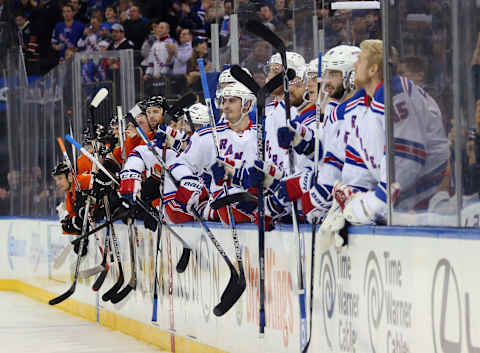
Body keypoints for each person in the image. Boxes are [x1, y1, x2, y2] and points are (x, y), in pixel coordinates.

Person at [167, 82, 258, 225]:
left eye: (232, 100)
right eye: (224, 101)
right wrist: (188, 181)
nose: (225, 106)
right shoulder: (206, 136)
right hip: (225, 206)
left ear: (247, 104)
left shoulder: (262, 135)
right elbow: (180, 163)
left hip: (261, 206)